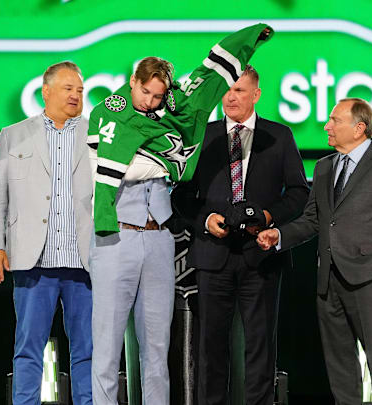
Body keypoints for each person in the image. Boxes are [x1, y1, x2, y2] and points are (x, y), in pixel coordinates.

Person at [88, 23, 274, 405]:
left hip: (159, 241)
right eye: (145, 92)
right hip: (115, 238)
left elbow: (208, 77)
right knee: (107, 349)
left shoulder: (174, 111)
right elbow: (112, 168)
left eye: (158, 96)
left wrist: (248, 41)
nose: (150, 102)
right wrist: (170, 163)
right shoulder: (108, 112)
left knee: (157, 347)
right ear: (132, 81)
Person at [257, 98, 372, 405]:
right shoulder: (324, 166)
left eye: (334, 121)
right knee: (339, 364)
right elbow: (313, 220)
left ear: (359, 128)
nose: (327, 126)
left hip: (369, 279)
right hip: (328, 280)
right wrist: (278, 235)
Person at [171, 65, 309, 405]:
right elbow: (181, 196)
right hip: (212, 254)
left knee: (260, 346)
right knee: (211, 347)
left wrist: (267, 217)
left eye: (239, 91)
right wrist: (207, 219)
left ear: (256, 95)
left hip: (260, 256)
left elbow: (298, 193)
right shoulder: (202, 135)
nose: (231, 97)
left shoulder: (279, 136)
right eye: (227, 91)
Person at [0, 61, 93, 405]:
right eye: (68, 88)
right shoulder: (14, 134)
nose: (75, 95)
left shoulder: (98, 134)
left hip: (85, 261)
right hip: (33, 261)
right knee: (28, 348)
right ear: (46, 92)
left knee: (88, 350)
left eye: (79, 89)